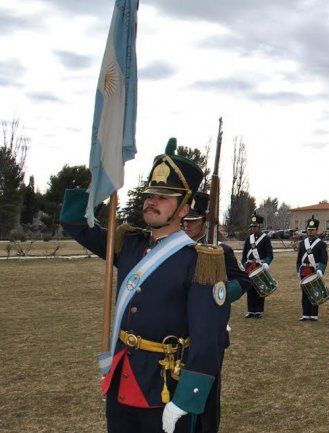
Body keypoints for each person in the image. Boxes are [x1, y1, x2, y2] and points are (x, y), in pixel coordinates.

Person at [60, 139, 230, 433]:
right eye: (150, 194)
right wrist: (101, 180)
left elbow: (207, 340)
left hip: (163, 388)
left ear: (183, 208)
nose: (151, 201)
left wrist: (187, 399)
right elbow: (74, 221)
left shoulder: (200, 261)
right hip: (122, 378)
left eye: (163, 196)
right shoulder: (128, 244)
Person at [182, 191, 250, 433]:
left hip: (210, 335)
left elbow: (242, 281)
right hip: (178, 335)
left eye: (193, 220)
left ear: (205, 221)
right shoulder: (176, 249)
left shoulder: (220, 252)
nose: (187, 224)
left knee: (207, 395)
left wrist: (219, 294)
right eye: (185, 220)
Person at [241, 211, 274, 318]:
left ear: (260, 226)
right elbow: (244, 255)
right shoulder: (248, 239)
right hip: (249, 267)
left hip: (260, 266)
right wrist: (242, 265)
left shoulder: (265, 238)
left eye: (255, 226)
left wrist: (266, 263)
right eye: (252, 226)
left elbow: (270, 254)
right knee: (250, 288)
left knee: (260, 288)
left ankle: (259, 311)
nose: (253, 228)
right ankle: (251, 310)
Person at [296, 215, 328, 321]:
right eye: (309, 229)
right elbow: (299, 259)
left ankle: (314, 314)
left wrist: (320, 270)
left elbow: (324, 259)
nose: (310, 231)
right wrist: (298, 270)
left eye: (312, 230)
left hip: (314, 271)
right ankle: (305, 314)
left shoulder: (321, 244)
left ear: (316, 230)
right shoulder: (302, 243)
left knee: (315, 292)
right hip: (304, 270)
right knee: (305, 293)